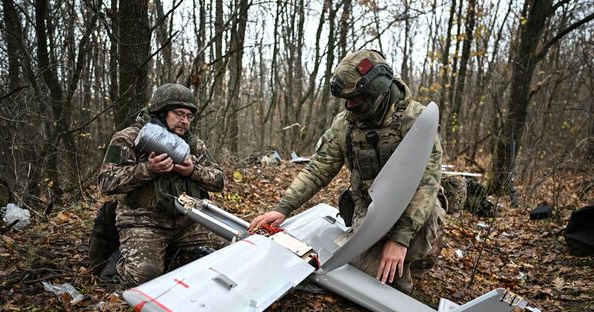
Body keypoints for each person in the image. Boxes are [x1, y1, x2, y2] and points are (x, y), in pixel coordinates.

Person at [250, 50, 444, 294]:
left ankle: (413, 253)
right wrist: (282, 208)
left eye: (357, 98)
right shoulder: (345, 124)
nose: (350, 105)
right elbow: (318, 169)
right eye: (347, 99)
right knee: (356, 274)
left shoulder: (416, 120)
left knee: (396, 266)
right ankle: (386, 256)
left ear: (378, 89)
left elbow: (426, 184)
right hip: (371, 212)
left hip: (413, 209)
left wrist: (400, 239)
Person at [97, 83, 226, 286]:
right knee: (144, 276)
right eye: (178, 114)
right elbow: (106, 182)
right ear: (161, 112)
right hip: (143, 221)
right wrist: (148, 169)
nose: (185, 121)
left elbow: (219, 180)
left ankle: (175, 253)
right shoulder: (128, 138)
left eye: (189, 116)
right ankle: (120, 261)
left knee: (232, 248)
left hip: (187, 220)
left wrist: (193, 171)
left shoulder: (192, 144)